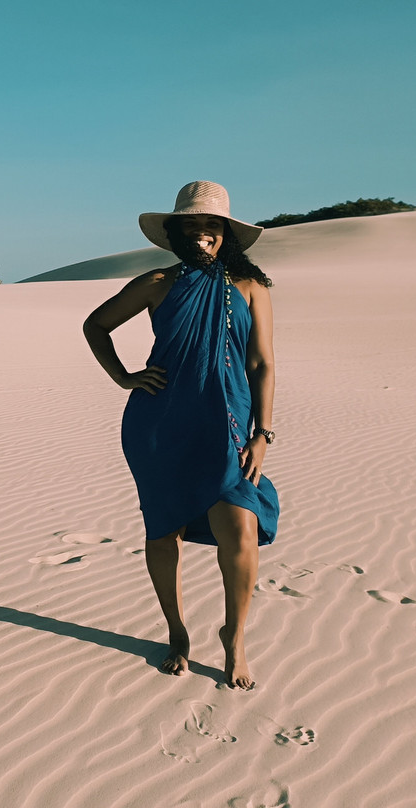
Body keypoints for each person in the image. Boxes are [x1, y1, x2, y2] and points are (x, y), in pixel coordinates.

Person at [83, 181, 279, 690]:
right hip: (160, 423)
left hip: (228, 424)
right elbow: (96, 326)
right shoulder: (157, 282)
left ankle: (234, 638)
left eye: (211, 225)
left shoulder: (251, 287)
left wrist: (263, 433)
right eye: (191, 225)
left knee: (240, 528)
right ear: (174, 233)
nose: (201, 234)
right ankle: (176, 632)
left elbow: (262, 363)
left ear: (226, 233)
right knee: (163, 529)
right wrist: (123, 377)